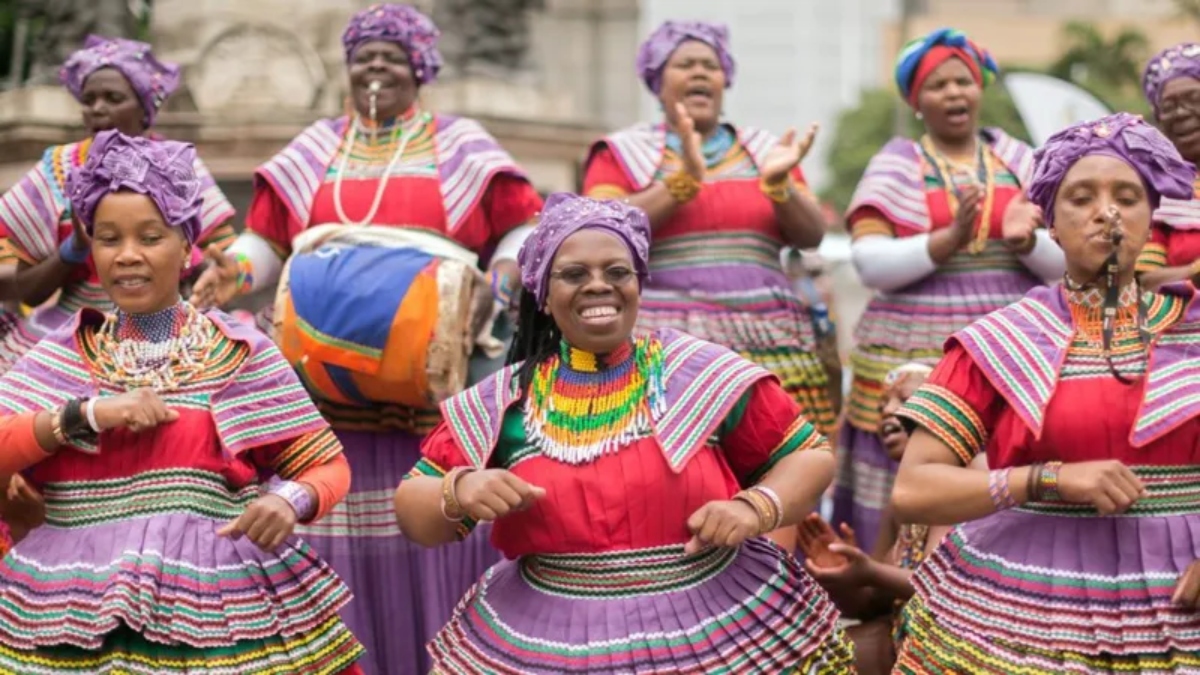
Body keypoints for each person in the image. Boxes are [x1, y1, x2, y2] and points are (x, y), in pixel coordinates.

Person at [188, 4, 543, 672]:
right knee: (336, 528)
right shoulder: (316, 148)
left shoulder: (459, 143)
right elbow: (265, 239)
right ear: (348, 68)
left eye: (392, 54)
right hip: (329, 398)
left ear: (420, 66)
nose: (377, 64)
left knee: (432, 518)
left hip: (430, 391)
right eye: (365, 54)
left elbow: (521, 224)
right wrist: (230, 272)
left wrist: (505, 269)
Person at [393, 193, 855, 674]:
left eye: (617, 272)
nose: (599, 286)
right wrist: (461, 489)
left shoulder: (699, 373)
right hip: (550, 636)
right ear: (544, 297)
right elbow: (414, 507)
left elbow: (808, 455)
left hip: (713, 625)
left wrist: (753, 508)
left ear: (638, 285)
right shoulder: (502, 401)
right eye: (574, 275)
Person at [0, 129, 363, 673]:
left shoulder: (239, 351)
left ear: (186, 245)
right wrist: (89, 413)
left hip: (216, 607)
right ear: (91, 250)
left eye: (150, 237)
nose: (126, 256)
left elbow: (324, 465)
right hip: (68, 606)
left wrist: (291, 500)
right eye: (108, 239)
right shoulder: (63, 352)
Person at [890, 112, 1200, 673]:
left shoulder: (1192, 327)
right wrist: (1048, 478)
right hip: (1029, 601)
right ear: (1051, 224)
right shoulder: (1000, 341)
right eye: (1081, 197)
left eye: (1127, 196)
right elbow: (914, 489)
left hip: (1185, 594)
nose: (1107, 212)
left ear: (1152, 218)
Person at [835, 28, 1064, 549]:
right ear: (916, 100)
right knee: (908, 460)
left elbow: (1065, 261)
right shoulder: (897, 164)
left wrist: (1025, 239)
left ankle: (1002, 578)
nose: (954, 93)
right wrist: (947, 240)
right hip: (911, 346)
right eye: (938, 85)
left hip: (1013, 343)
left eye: (963, 80)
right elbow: (869, 262)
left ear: (981, 89)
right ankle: (887, 590)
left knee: (1007, 455)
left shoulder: (1022, 159)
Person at [582, 21, 838, 440]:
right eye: (684, 64)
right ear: (657, 81)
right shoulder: (623, 153)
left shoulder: (764, 150)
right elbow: (599, 229)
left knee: (772, 453)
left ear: (725, 80)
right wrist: (684, 180)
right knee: (678, 457)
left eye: (710, 65)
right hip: (665, 342)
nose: (700, 72)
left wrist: (779, 186)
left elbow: (812, 235)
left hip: (768, 337)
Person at [0, 35, 236, 374]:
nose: (98, 109)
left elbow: (221, 259)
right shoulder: (56, 170)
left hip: (168, 333)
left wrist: (199, 263)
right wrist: (75, 249)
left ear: (145, 110)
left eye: (113, 98)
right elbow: (30, 292)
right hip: (71, 333)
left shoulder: (179, 166)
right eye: (89, 99)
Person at [799, 363, 986, 675]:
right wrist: (844, 574)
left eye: (904, 398)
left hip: (961, 649)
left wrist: (870, 571)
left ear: (947, 410)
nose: (888, 411)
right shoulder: (900, 503)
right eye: (882, 405)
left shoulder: (972, 473)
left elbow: (941, 587)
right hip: (904, 637)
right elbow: (872, 605)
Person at [1138, 43, 1200, 289]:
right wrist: (1194, 273)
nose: (1181, 113)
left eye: (1194, 99)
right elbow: (1142, 280)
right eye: (1169, 107)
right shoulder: (1158, 192)